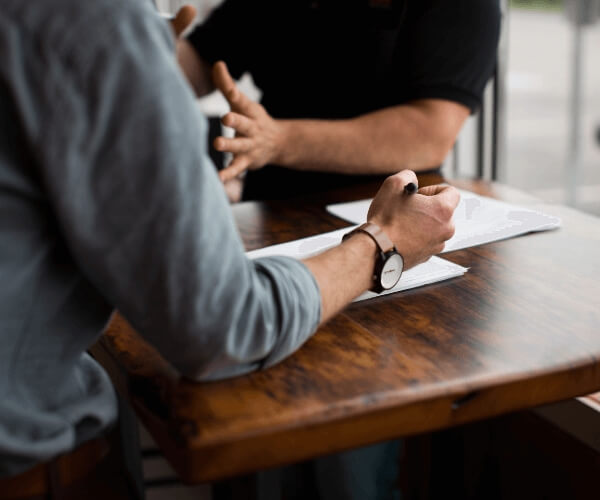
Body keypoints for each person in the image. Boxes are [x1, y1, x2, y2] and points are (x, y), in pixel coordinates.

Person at [0, 0, 459, 493]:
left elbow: (432, 131)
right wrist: (382, 242)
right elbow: (225, 323)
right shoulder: (90, 22)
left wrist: (140, 58)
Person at [176, 0, 502, 201]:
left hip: (387, 218)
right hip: (272, 211)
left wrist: (277, 140)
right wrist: (144, 54)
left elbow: (428, 133)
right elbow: (202, 61)